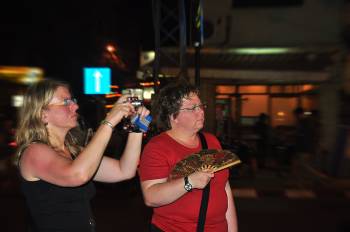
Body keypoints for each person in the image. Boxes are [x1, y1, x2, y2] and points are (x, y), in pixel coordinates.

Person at [15, 79, 150, 232]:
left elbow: (124, 170)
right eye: (65, 102)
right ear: (42, 114)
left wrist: (137, 128)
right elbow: (77, 175)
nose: (75, 106)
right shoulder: (34, 152)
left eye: (73, 100)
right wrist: (109, 121)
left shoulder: (74, 152)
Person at [138, 81, 238, 232]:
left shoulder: (211, 141)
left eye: (201, 106)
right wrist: (189, 181)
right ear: (173, 116)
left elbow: (224, 188)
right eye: (192, 108)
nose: (201, 112)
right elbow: (151, 197)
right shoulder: (157, 147)